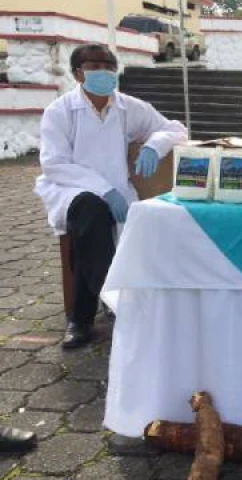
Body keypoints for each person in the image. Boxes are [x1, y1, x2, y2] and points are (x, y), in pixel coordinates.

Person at [34, 43, 188, 349]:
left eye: (109, 65)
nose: (103, 71)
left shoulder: (127, 106)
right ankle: (96, 309)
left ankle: (88, 315)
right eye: (94, 66)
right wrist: (102, 190)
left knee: (110, 226)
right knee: (92, 213)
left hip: (118, 189)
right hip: (70, 189)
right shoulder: (60, 111)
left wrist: (153, 146)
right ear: (78, 73)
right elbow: (54, 164)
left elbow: (174, 129)